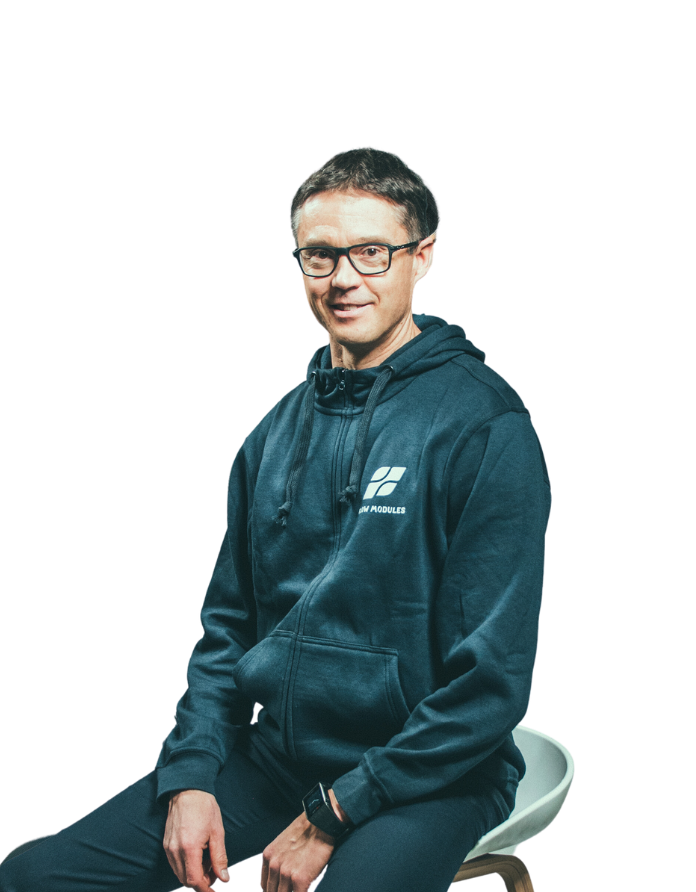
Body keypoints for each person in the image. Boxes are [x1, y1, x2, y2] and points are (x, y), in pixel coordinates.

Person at [0, 146, 552, 892]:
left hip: (432, 775)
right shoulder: (272, 434)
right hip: (280, 759)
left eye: (371, 251)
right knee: (34, 876)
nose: (344, 278)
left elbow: (491, 682)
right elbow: (228, 627)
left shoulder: (486, 426)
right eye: (320, 256)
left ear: (423, 256)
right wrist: (191, 775)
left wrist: (334, 812)